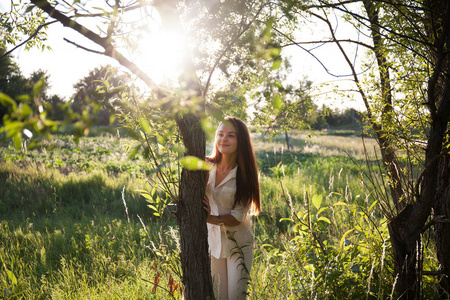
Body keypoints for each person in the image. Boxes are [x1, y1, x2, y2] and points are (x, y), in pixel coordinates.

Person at [203, 116, 261, 300]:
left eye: (230, 135)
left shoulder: (246, 174)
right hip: (213, 244)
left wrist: (207, 218)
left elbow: (236, 218)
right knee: (218, 296)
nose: (223, 139)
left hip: (238, 245)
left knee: (235, 298)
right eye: (220, 134)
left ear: (241, 140)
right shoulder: (206, 166)